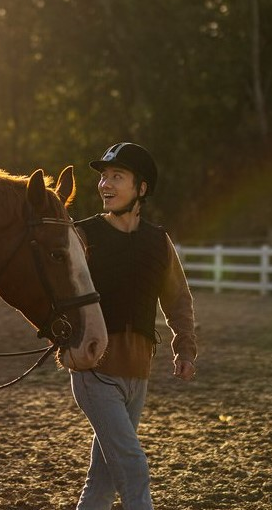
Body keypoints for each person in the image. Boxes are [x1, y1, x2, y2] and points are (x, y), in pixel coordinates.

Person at [70, 142, 198, 509]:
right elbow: (56, 292)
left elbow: (177, 298)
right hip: (94, 369)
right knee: (133, 467)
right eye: (104, 177)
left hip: (137, 372)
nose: (105, 184)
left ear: (141, 188)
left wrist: (185, 347)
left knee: (104, 476)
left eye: (117, 176)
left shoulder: (158, 242)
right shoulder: (83, 235)